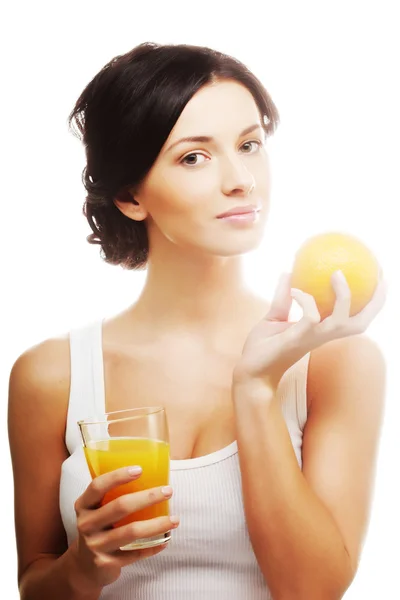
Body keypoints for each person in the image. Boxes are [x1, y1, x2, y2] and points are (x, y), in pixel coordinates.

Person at [8, 41, 387, 600]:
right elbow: (34, 584)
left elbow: (312, 590)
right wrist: (83, 568)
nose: (242, 180)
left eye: (250, 144)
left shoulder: (332, 362)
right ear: (130, 195)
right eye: (194, 156)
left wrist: (256, 389)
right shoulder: (51, 377)